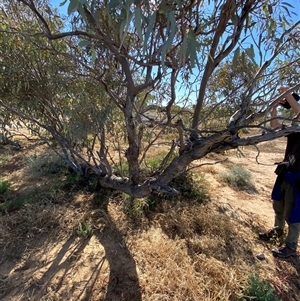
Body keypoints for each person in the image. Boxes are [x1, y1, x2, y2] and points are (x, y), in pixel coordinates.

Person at [258, 86, 300, 258]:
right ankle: (277, 232)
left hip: (298, 177)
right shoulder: (294, 128)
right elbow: (275, 126)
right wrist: (275, 107)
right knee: (279, 205)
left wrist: (286, 92)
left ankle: (290, 247)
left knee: (294, 211)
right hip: (286, 172)